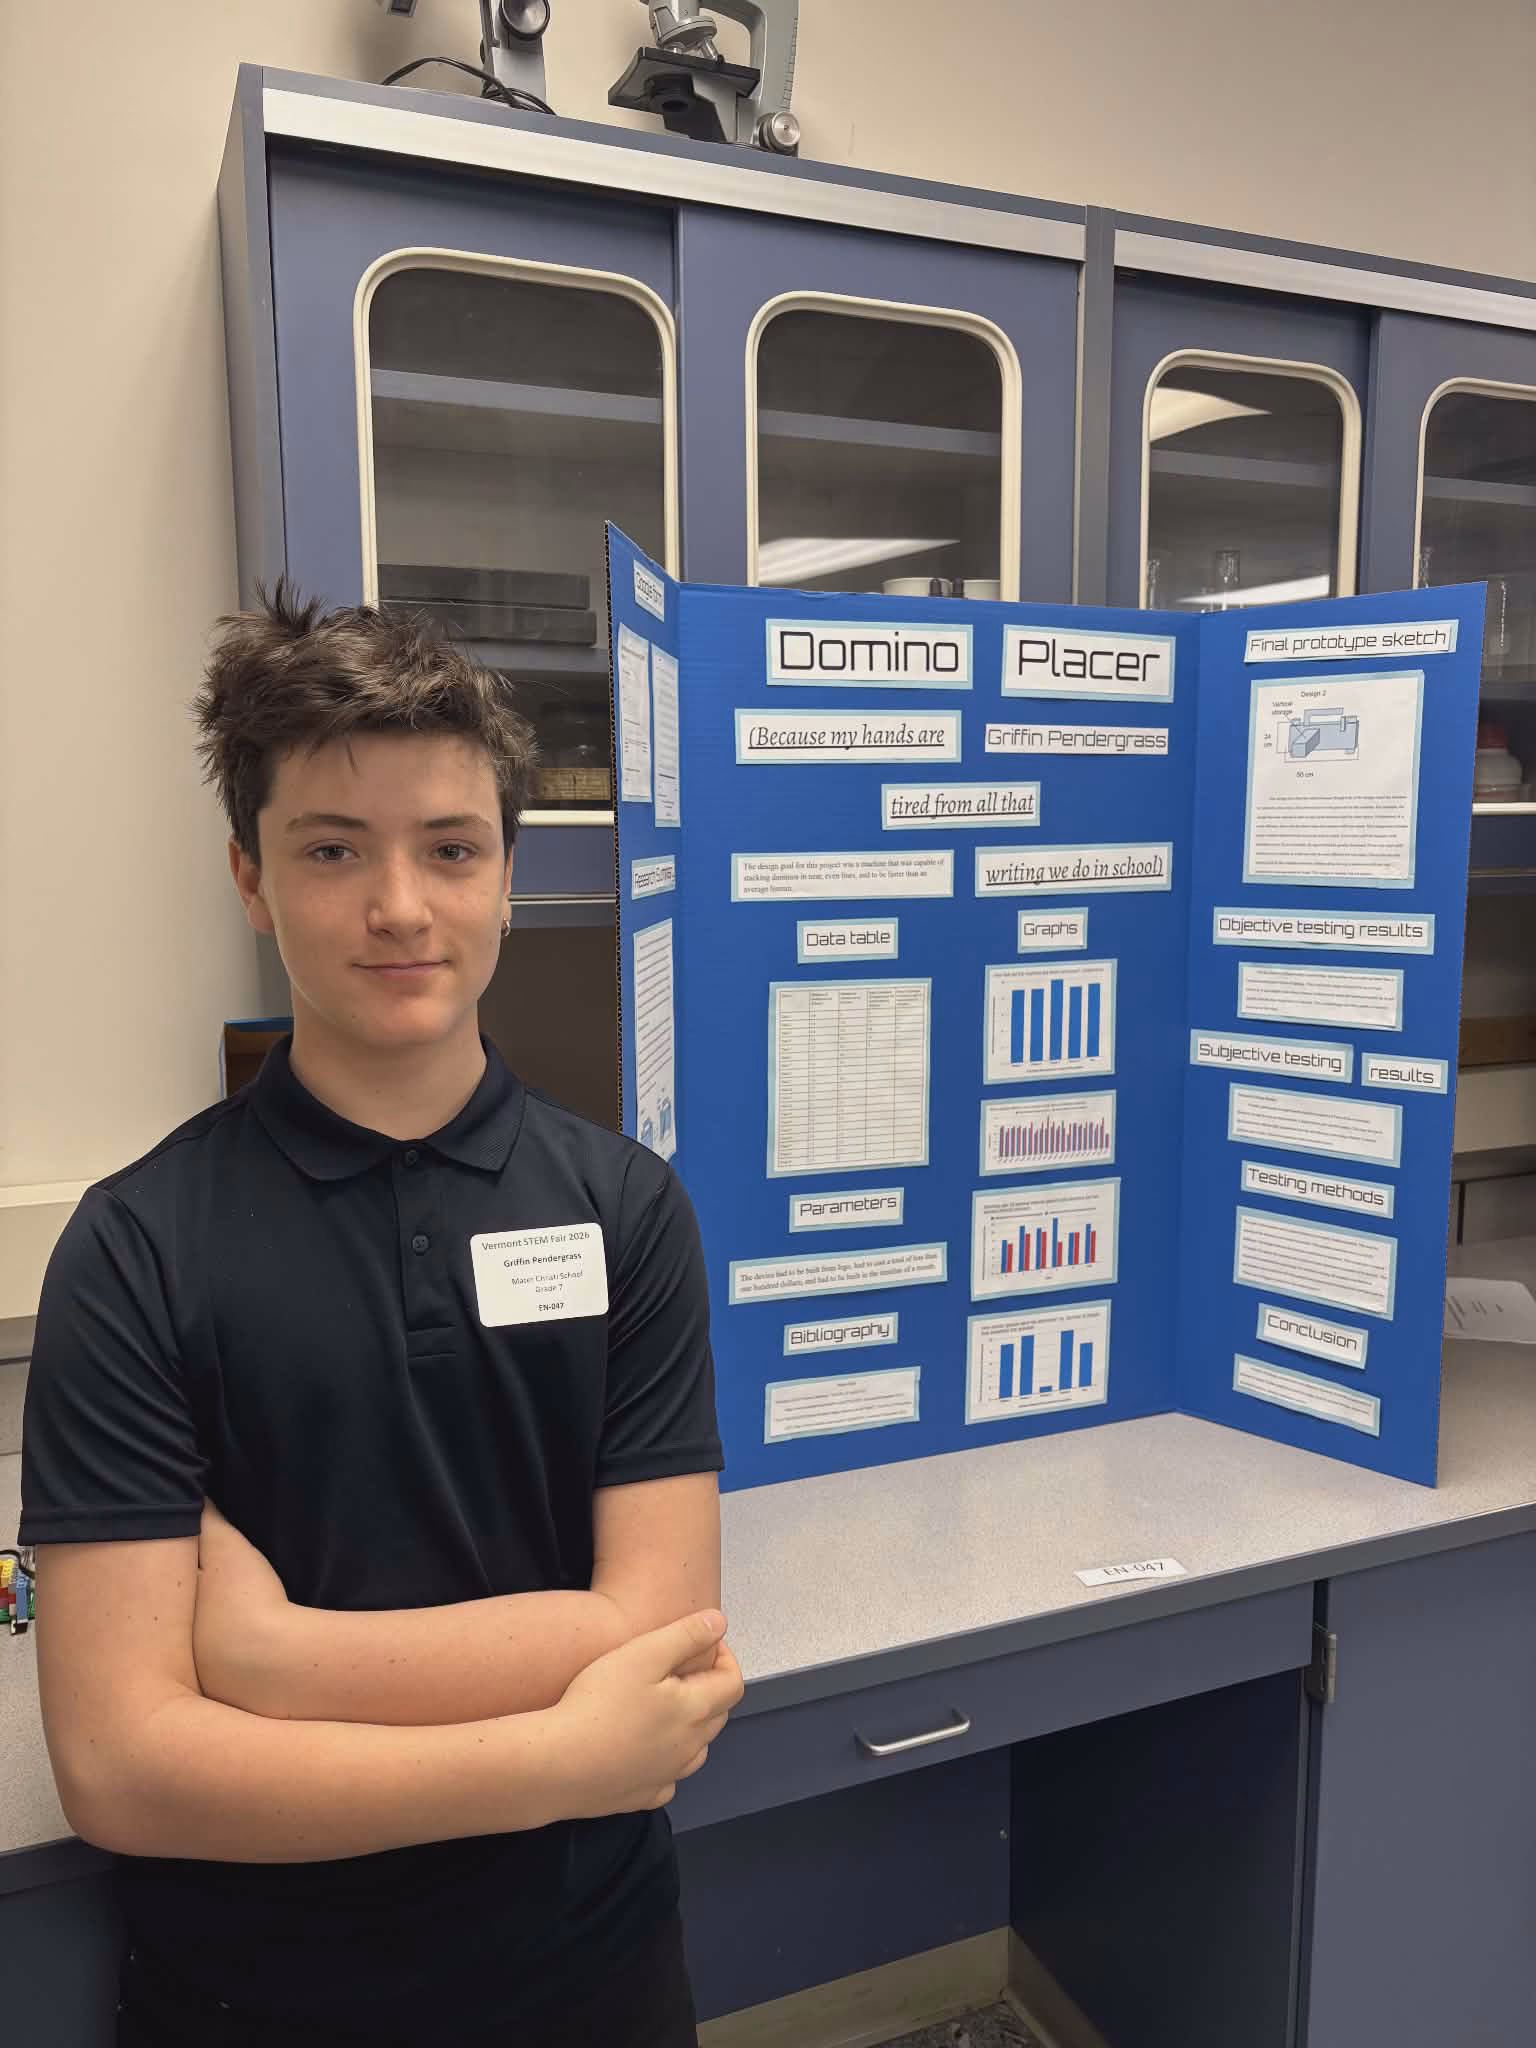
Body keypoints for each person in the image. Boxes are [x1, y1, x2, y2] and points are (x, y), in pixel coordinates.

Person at [19, 586, 742, 2047]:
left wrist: (270, 1657)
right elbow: (122, 1768)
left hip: (591, 1975)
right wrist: (559, 1756)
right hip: (257, 1993)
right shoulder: (136, 1250)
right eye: (333, 849)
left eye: (451, 849)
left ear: (508, 875)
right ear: (250, 877)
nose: (400, 906)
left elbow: (661, 1637)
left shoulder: (627, 1211)